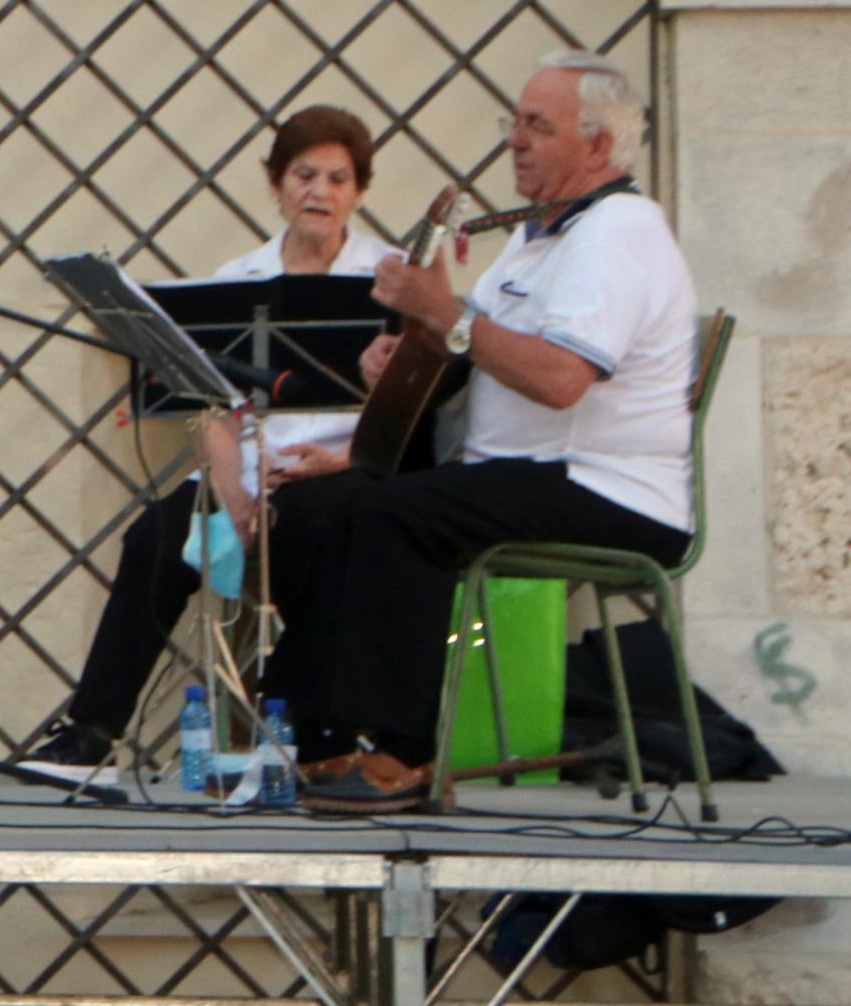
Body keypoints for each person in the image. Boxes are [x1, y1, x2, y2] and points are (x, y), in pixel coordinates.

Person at [266, 52, 698, 813]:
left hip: (605, 484)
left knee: (397, 515)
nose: (515, 141)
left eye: (537, 125)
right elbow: (478, 355)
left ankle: (402, 754)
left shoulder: (618, 234)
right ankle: (318, 739)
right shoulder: (539, 238)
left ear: (597, 146)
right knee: (317, 511)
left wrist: (442, 315)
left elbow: (561, 379)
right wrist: (407, 359)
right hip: (522, 471)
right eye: (514, 122)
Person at [19, 106, 400, 781]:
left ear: (360, 191)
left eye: (339, 179)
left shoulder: (390, 278)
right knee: (156, 536)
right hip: (252, 472)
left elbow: (412, 409)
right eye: (304, 174)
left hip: (340, 471)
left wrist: (342, 460)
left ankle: (310, 739)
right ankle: (91, 733)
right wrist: (232, 489)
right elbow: (212, 401)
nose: (321, 192)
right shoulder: (239, 278)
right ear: (277, 185)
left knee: (317, 529)